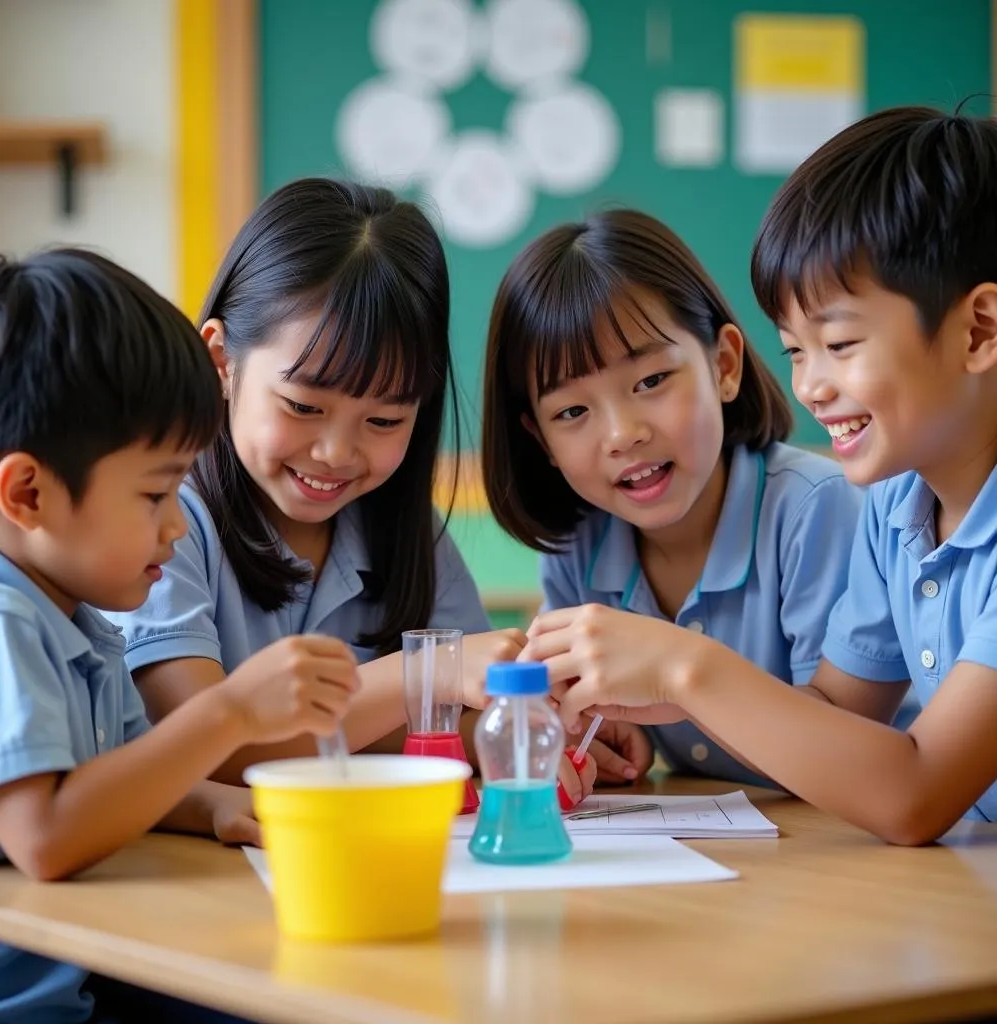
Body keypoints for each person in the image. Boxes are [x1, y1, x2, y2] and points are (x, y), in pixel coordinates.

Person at [531, 106, 997, 844]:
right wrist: (666, 697)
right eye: (795, 351)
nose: (811, 387)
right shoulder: (895, 504)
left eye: (840, 343)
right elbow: (833, 720)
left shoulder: (835, 502)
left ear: (979, 330)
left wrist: (686, 669)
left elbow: (916, 795)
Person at [108, 178, 595, 800]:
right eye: (302, 406)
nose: (336, 452)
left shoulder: (406, 536)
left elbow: (460, 722)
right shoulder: (163, 520)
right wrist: (430, 673)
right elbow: (199, 741)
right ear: (221, 363)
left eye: (385, 420)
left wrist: (541, 730)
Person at [0, 249, 358, 1021]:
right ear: (28, 493)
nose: (176, 525)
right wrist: (231, 714)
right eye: (155, 494)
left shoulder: (72, 613)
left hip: (87, 974)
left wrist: (211, 804)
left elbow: (117, 778)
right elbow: (45, 834)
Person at [482, 209, 859, 786]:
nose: (622, 434)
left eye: (651, 382)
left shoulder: (815, 511)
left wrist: (682, 685)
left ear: (723, 366)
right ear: (542, 440)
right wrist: (605, 728)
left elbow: (843, 750)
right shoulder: (577, 550)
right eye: (573, 411)